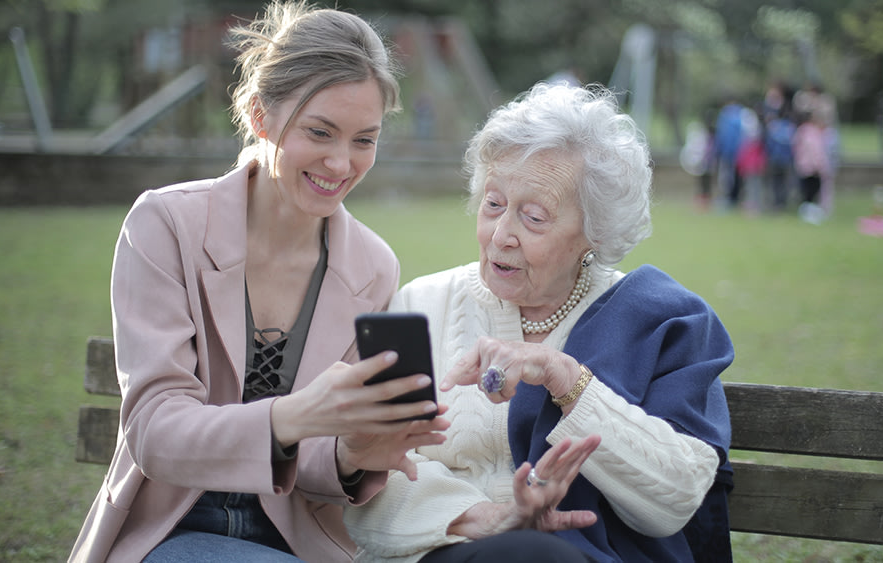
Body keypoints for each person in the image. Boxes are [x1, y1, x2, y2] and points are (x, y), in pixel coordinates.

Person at [70, 3, 448, 561]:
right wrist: (296, 415)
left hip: (298, 541)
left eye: (364, 140)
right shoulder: (165, 225)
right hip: (169, 529)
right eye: (320, 131)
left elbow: (318, 470)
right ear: (258, 115)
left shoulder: (373, 265)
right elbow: (153, 431)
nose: (341, 163)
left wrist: (354, 450)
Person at [344, 83, 735, 562]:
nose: (501, 235)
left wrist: (566, 378)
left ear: (595, 232)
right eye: (493, 204)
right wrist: (482, 519)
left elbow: (676, 500)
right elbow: (367, 468)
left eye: (533, 217)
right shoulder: (422, 303)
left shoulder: (662, 319)